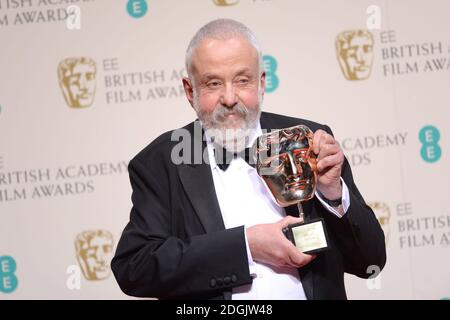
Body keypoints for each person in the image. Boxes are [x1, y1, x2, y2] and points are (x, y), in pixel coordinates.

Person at [111, 19, 386, 300]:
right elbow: (135, 267)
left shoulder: (308, 140)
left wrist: (333, 194)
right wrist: (245, 246)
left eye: (242, 80)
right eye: (213, 83)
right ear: (190, 90)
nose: (229, 98)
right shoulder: (161, 162)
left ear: (262, 82)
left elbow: (370, 263)